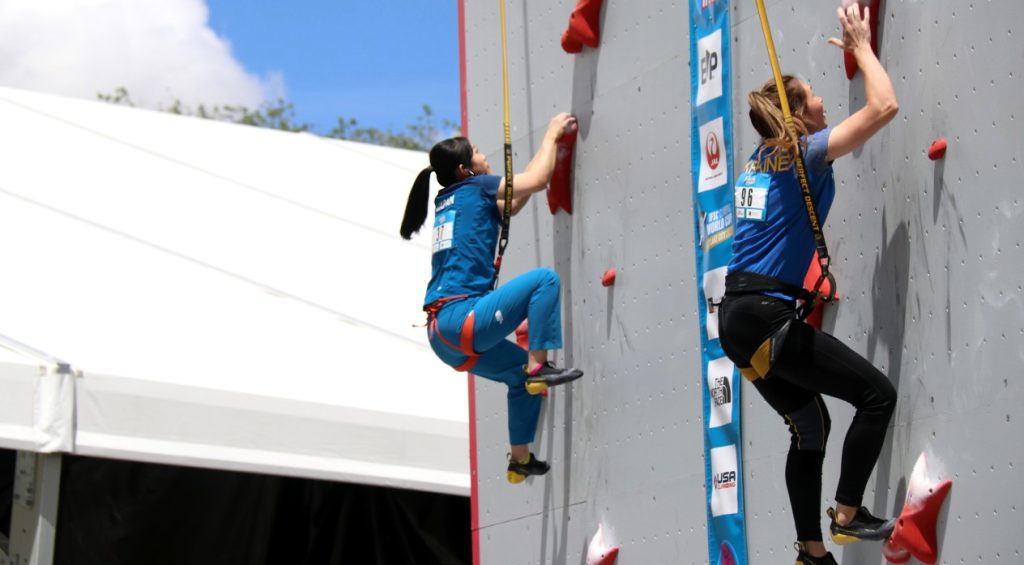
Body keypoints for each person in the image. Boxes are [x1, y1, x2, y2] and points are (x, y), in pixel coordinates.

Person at [717, 6, 899, 565]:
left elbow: (771, 234)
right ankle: (846, 514)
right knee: (876, 396)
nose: (822, 98)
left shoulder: (757, 165)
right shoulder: (799, 152)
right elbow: (885, 107)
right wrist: (862, 48)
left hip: (737, 318)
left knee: (811, 425)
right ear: (796, 114)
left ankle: (811, 554)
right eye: (813, 94)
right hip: (763, 315)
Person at [400, 112, 583, 484]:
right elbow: (536, 180)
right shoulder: (477, 188)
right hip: (461, 318)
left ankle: (520, 460)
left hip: (443, 335)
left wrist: (547, 151)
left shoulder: (451, 201)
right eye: (480, 152)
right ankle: (539, 367)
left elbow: (516, 199)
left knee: (517, 380)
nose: (486, 156)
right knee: (544, 281)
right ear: (467, 169)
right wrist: (552, 134)